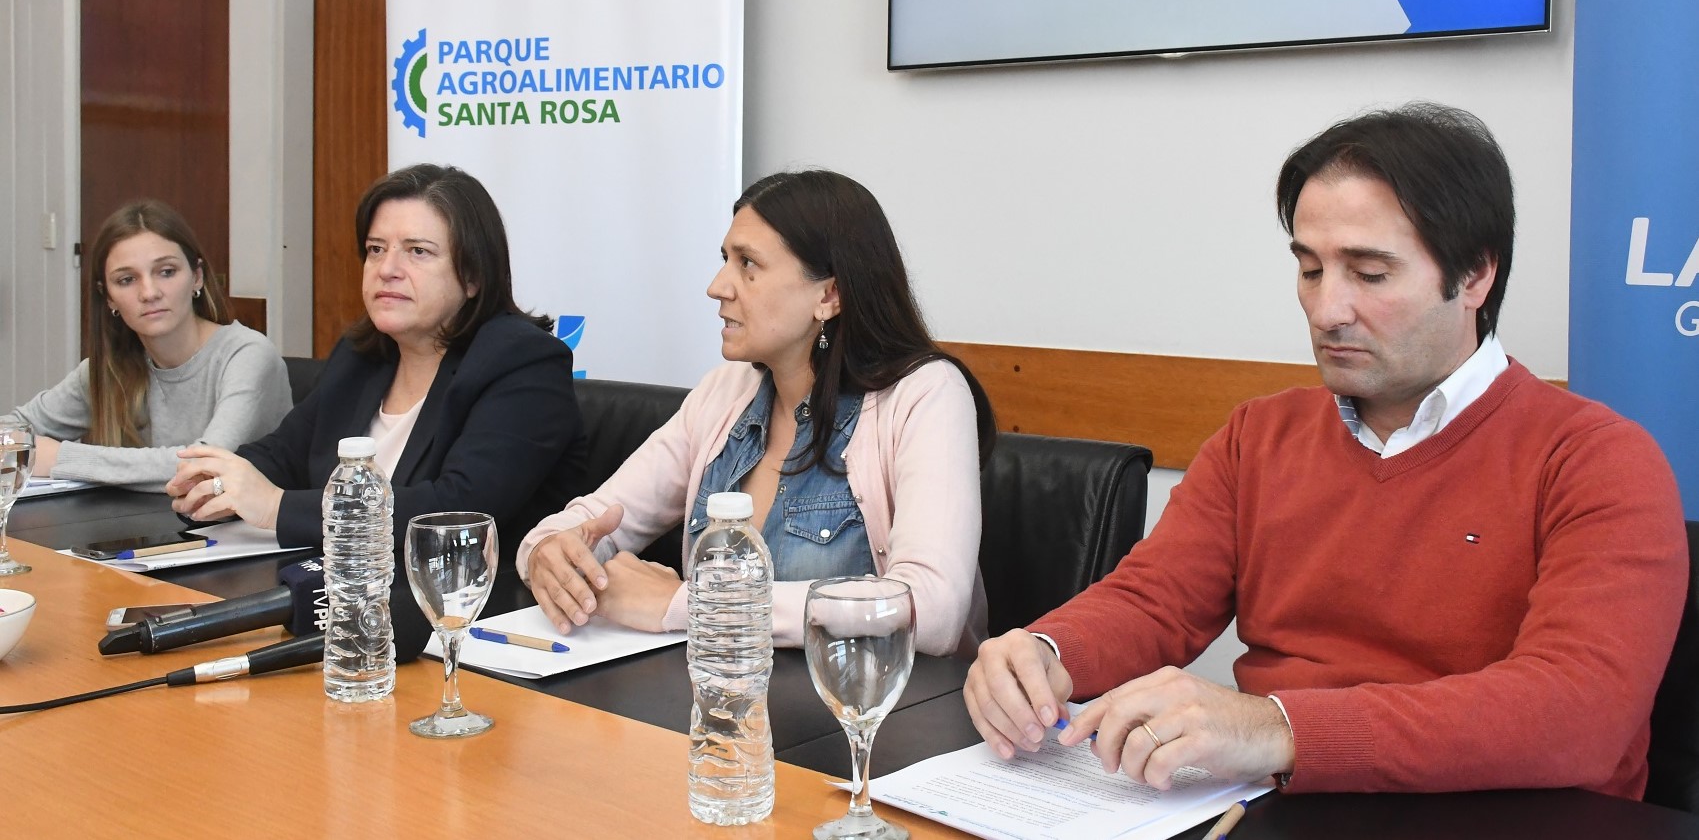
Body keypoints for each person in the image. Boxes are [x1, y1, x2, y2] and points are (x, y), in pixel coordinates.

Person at [964, 103, 1687, 798]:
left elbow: (1577, 710)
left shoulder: (1596, 459)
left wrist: (1278, 727)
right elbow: (1156, 599)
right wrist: (1045, 652)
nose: (1325, 308)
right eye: (1309, 268)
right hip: (1283, 802)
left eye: (1368, 273)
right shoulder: (1259, 436)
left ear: (1474, 276)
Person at [517, 169, 996, 657]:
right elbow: (586, 522)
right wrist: (547, 556)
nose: (717, 286)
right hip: (726, 701)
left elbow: (932, 609)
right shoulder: (725, 391)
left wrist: (695, 604)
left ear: (828, 295)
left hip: (881, 718)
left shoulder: (926, 394)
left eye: (748, 264)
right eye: (725, 259)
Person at [166, 164, 587, 552]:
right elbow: (284, 454)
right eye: (376, 249)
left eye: (417, 251)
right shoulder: (362, 355)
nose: (388, 269)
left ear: (473, 275)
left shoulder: (523, 362)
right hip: (344, 589)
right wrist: (216, 482)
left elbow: (456, 513)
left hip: (464, 610)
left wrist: (275, 507)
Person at [12, 200, 291, 490]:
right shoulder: (110, 369)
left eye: (166, 272)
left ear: (197, 277)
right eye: (127, 279)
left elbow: (205, 468)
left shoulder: (248, 355)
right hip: (136, 528)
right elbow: (12, 431)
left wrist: (61, 457)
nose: (149, 292)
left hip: (240, 532)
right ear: (108, 297)